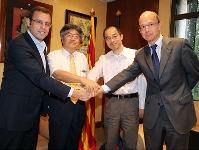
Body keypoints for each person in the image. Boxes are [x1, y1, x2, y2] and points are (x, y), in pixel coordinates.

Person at [0, 7, 99, 149]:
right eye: (39, 22)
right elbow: (41, 77)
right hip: (14, 114)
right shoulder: (19, 45)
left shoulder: (41, 47)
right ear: (28, 22)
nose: (43, 27)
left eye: (47, 24)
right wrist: (75, 92)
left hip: (32, 113)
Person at [98, 11, 199, 150]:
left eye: (150, 24)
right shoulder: (140, 54)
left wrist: (181, 91)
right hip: (153, 117)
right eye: (143, 27)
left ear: (159, 25)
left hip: (178, 113)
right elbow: (127, 74)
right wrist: (104, 88)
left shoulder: (179, 45)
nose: (147, 29)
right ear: (140, 31)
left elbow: (194, 73)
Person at [87, 26, 147, 150]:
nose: (112, 40)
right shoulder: (104, 59)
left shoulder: (135, 55)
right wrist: (90, 83)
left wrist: (142, 105)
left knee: (130, 141)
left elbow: (142, 81)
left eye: (114, 36)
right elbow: (93, 73)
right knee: (109, 140)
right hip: (112, 102)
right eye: (108, 38)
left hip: (131, 103)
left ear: (121, 36)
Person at [47, 24, 89, 149]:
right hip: (60, 103)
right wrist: (80, 79)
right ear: (62, 38)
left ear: (80, 41)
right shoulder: (53, 56)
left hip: (79, 105)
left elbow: (86, 79)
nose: (72, 38)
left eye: (76, 36)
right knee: (57, 141)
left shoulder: (82, 58)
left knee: (74, 140)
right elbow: (57, 74)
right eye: (68, 35)